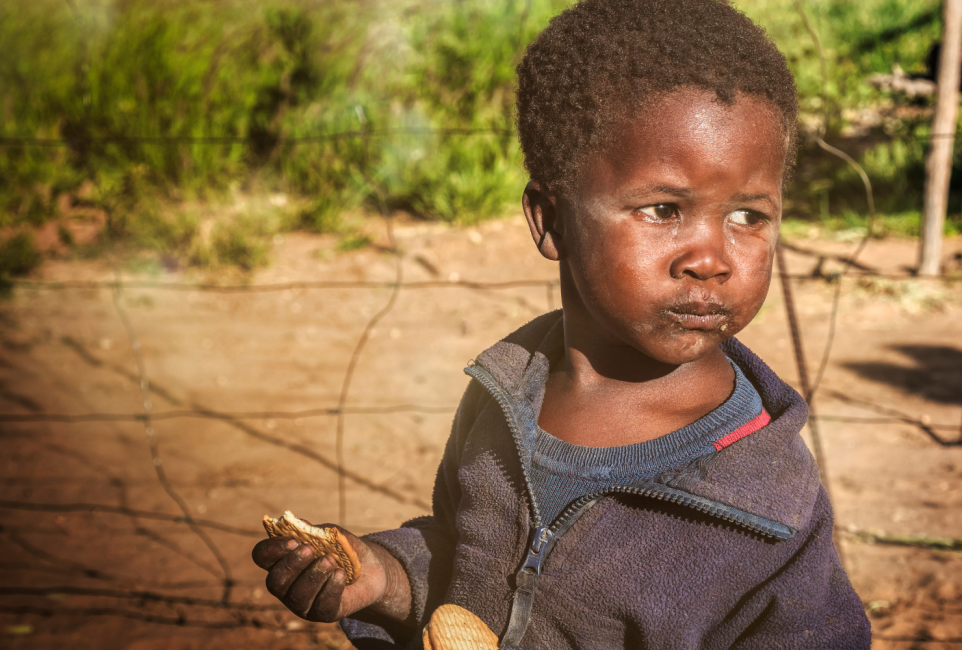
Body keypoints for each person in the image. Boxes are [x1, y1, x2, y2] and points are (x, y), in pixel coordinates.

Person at [252, 0, 872, 647]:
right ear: (551, 220)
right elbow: (473, 570)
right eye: (664, 209)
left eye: (748, 215)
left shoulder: (766, 507)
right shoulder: (505, 396)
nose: (711, 259)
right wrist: (381, 576)